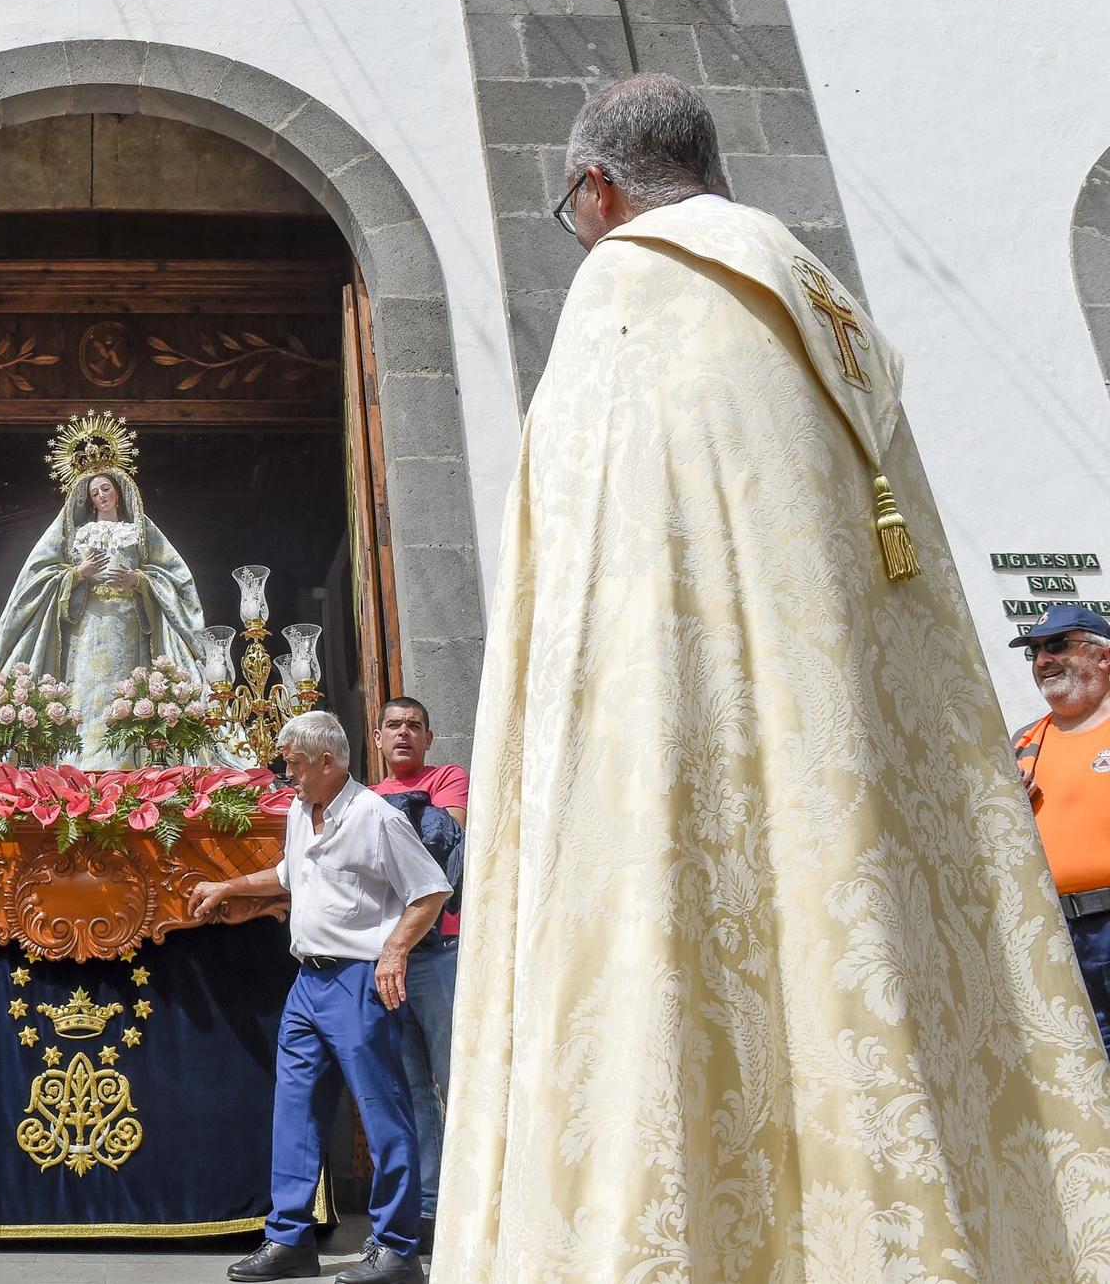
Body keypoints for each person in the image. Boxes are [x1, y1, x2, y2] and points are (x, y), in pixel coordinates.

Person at [436, 73, 1110, 1278]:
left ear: (594, 189)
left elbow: (588, 575)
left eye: (571, 210)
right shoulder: (818, 297)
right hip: (855, 761)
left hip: (685, 745)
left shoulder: (631, 284)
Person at [190, 711, 447, 1284]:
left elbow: (429, 890)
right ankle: (289, 1241)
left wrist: (395, 951)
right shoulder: (299, 814)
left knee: (383, 1115)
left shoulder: (376, 816)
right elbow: (289, 874)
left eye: (296, 764)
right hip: (306, 984)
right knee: (295, 1112)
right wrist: (227, 887)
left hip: (359, 981)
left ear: (328, 761)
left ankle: (399, 1250)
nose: (289, 775)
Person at [0, 418, 209, 767]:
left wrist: (139, 582)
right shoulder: (76, 534)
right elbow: (38, 577)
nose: (101, 496)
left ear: (118, 489)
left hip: (129, 625)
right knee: (84, 691)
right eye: (94, 493)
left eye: (105, 489)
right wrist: (77, 575)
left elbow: (174, 578)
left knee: (129, 688)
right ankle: (79, 763)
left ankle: (130, 763)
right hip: (86, 627)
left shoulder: (140, 531)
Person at [366, 696, 465, 1247]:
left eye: (414, 726)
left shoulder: (449, 777)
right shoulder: (361, 797)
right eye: (393, 726)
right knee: (410, 1089)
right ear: (377, 738)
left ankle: (471, 1200)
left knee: (455, 1078)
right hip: (386, 959)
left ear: (428, 738)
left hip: (442, 952)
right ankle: (427, 1209)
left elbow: (438, 843)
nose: (404, 733)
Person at [1009, 603, 1110, 1046]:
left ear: (1103, 656)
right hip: (1058, 932)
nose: (1043, 660)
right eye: (1034, 651)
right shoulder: (1024, 742)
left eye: (1056, 645)